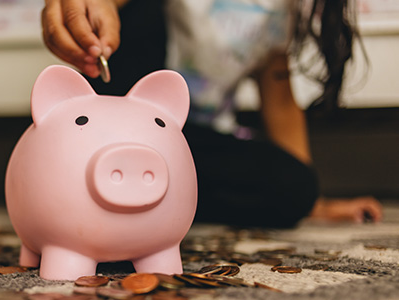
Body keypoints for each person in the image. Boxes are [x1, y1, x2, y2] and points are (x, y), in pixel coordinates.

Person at [40, 0, 383, 227]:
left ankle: (145, 201)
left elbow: (278, 94)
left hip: (193, 147)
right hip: (114, 129)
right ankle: (106, 181)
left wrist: (313, 200)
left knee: (295, 187)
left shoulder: (282, 8)